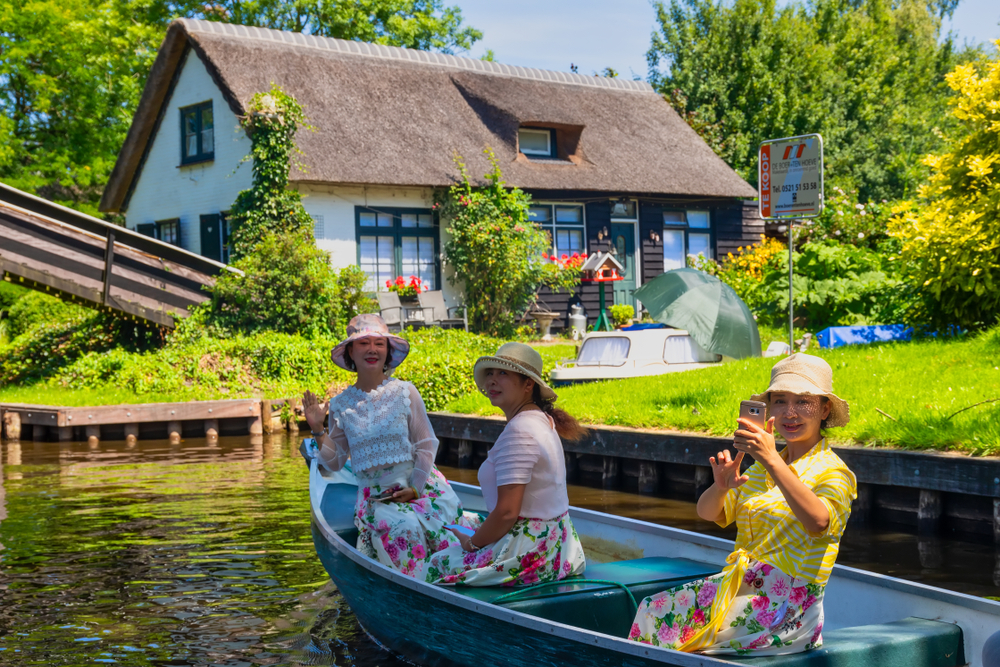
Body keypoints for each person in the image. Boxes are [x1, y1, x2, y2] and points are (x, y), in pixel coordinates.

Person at [628, 353, 857, 656]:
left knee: (688, 646)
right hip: (740, 589)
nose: (790, 412)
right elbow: (707, 513)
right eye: (779, 400)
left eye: (803, 401)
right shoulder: (761, 466)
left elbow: (819, 522)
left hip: (787, 608)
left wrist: (772, 458)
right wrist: (721, 487)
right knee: (652, 613)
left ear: (824, 408)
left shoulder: (834, 471)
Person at [302, 314, 466, 581]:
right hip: (378, 497)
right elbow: (334, 463)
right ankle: (417, 589)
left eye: (379, 343)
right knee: (403, 529)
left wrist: (415, 488)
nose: (372, 349)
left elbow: (426, 444)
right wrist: (318, 429)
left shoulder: (405, 392)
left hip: (420, 486)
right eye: (363, 342)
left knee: (451, 541)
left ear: (388, 351)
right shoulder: (341, 404)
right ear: (350, 353)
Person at [427, 342, 587, 586]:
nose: (492, 380)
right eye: (490, 373)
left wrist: (472, 544)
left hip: (531, 550)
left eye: (503, 373)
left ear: (528, 384)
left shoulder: (521, 430)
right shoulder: (541, 420)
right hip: (556, 543)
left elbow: (507, 513)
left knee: (437, 563)